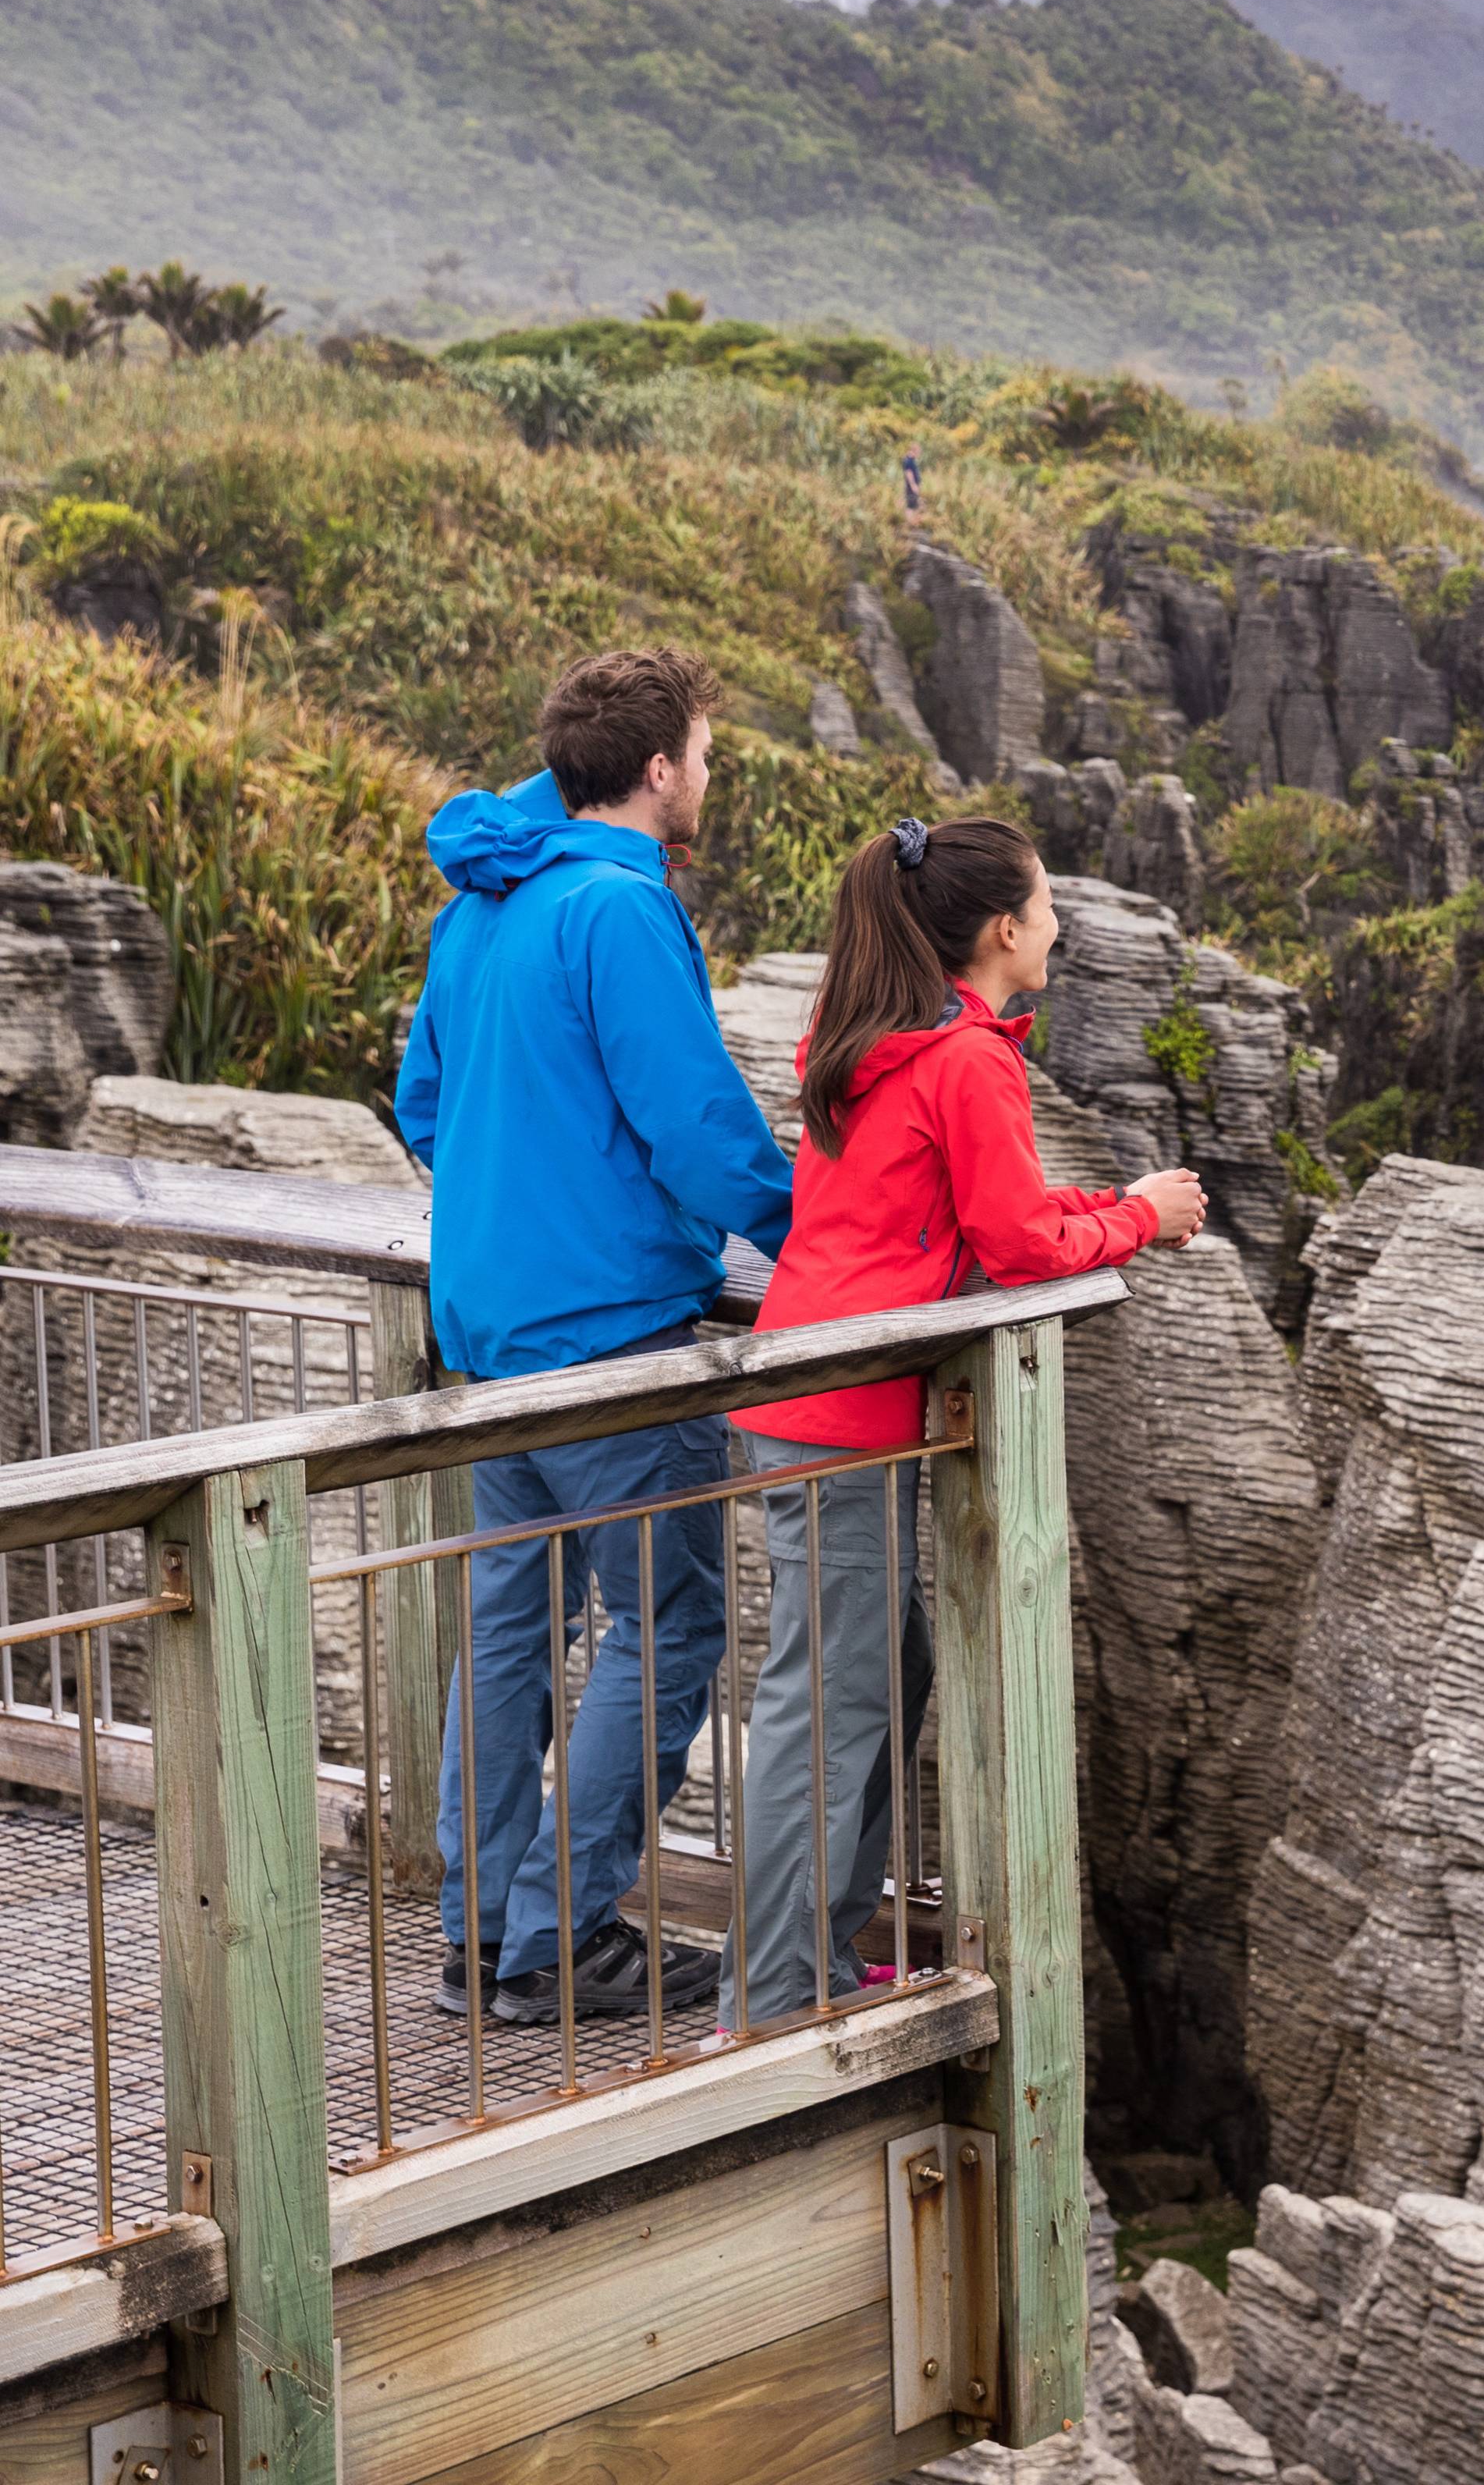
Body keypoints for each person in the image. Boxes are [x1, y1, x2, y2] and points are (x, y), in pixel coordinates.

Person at [726, 817, 1202, 2024]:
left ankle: (816, 1959)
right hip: (842, 1412)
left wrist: (1116, 1203)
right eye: (1046, 909)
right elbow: (1023, 1246)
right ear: (1002, 930)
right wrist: (1139, 1220)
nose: (1059, 928)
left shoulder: (891, 1033)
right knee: (828, 1706)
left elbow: (995, 1207)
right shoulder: (967, 1057)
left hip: (815, 1390)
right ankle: (776, 2000)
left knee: (883, 1672)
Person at [396, 648, 789, 2025]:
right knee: (669, 1622)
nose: (710, 780)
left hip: (493, 1332)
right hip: (613, 1337)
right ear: (662, 768)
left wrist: (524, 1200)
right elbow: (696, 1128)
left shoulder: (487, 903)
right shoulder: (618, 907)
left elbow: (425, 1104)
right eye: (707, 755)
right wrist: (812, 1237)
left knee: (512, 1630)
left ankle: (480, 1933)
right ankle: (566, 1940)